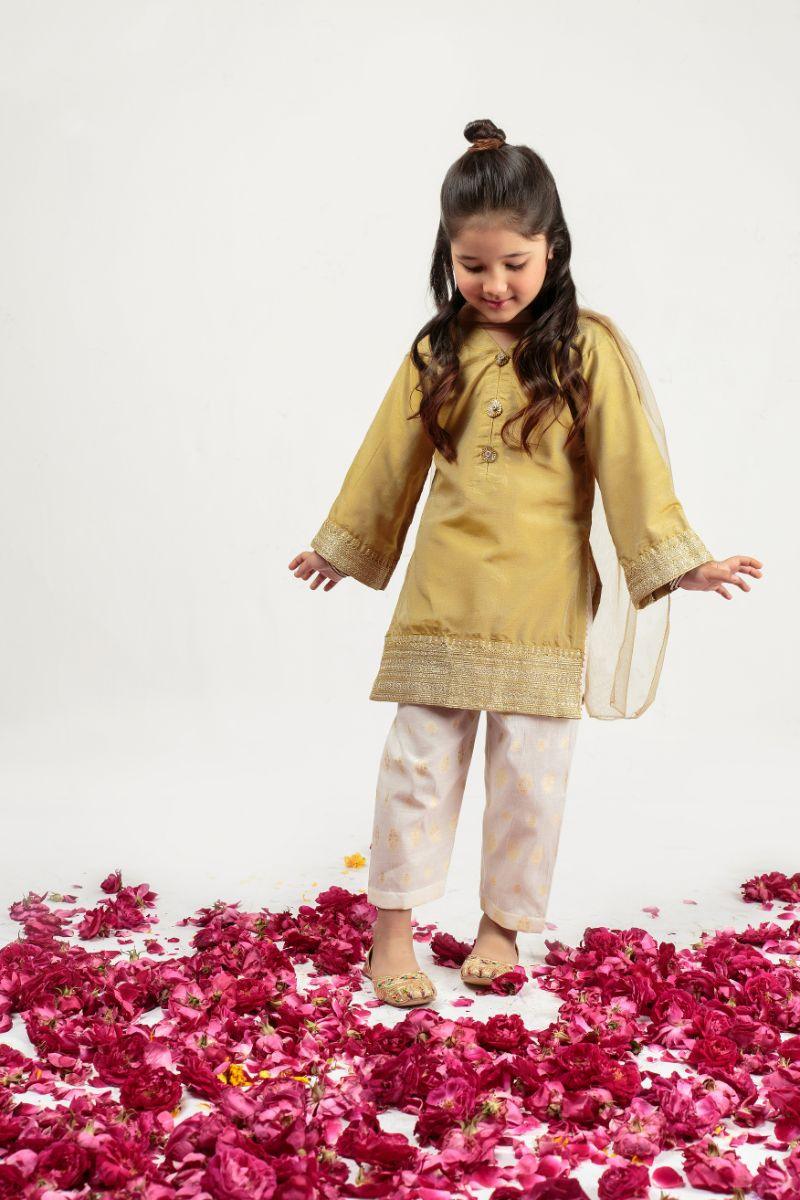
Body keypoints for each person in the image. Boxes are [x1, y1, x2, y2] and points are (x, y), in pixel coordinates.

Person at [288, 118, 763, 1009]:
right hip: (443, 597)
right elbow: (389, 460)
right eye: (473, 265)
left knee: (530, 782)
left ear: (552, 248)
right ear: (447, 256)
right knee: (417, 768)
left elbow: (630, 467)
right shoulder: (436, 350)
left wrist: (683, 562)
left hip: (543, 607)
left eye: (514, 262)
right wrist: (342, 546)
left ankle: (502, 927)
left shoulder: (586, 349)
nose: (495, 283)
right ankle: (392, 931)